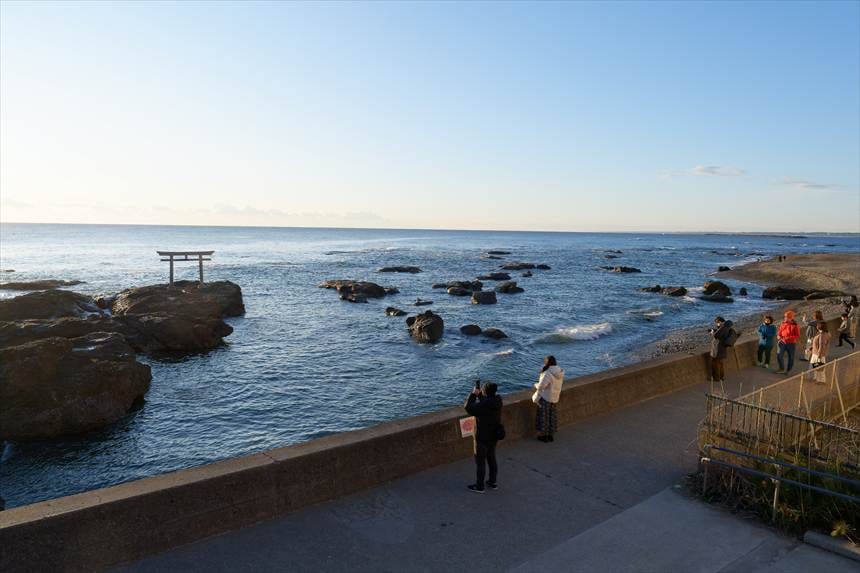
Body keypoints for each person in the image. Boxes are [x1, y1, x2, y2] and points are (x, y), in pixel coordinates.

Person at [464, 381, 502, 494]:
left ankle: (480, 486)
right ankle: (492, 482)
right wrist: (480, 395)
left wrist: (473, 394)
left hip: (482, 437)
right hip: (493, 435)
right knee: (491, 458)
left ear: (485, 391)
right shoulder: (497, 401)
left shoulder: (484, 405)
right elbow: (485, 404)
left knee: (480, 462)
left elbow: (468, 407)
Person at [534, 356, 564, 443]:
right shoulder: (560, 371)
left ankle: (544, 436)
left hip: (546, 397)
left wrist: (535, 385)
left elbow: (541, 386)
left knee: (543, 417)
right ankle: (551, 435)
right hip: (555, 397)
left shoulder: (548, 373)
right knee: (552, 416)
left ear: (547, 362)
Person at [709, 316, 733, 383]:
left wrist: (712, 333)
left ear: (720, 322)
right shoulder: (726, 327)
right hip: (722, 348)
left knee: (715, 364)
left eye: (717, 323)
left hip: (718, 349)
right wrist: (716, 330)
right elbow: (720, 334)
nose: (717, 324)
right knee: (720, 363)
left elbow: (716, 336)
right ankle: (721, 377)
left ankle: (716, 378)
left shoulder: (723, 328)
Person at [776, 310, 801, 375]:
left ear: (791, 318)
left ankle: (788, 370)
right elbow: (780, 331)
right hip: (782, 342)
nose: (785, 318)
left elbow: (797, 335)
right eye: (785, 317)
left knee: (791, 357)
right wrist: (778, 335)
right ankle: (781, 368)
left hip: (791, 344)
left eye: (787, 317)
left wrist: (788, 338)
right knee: (779, 355)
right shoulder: (783, 323)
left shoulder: (795, 325)